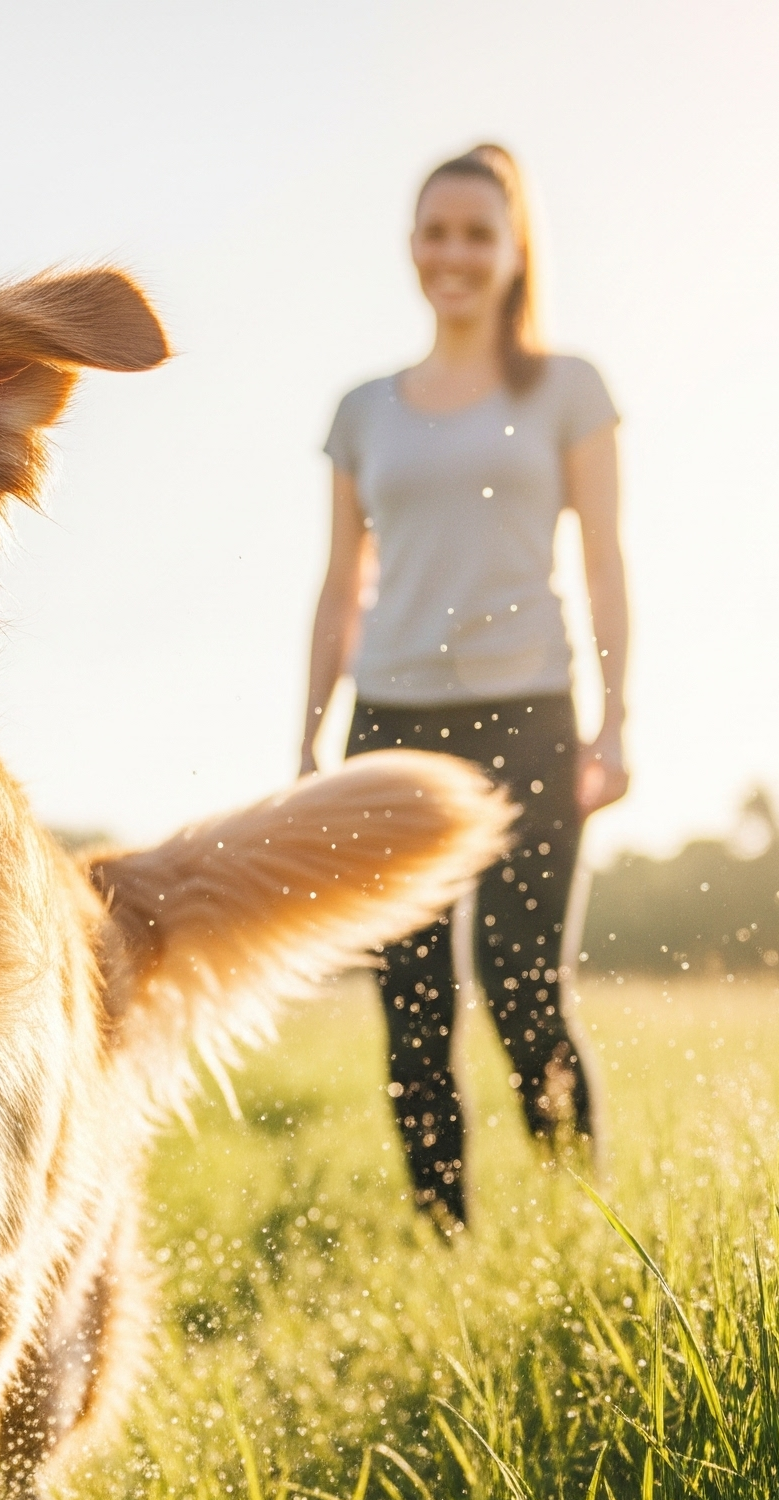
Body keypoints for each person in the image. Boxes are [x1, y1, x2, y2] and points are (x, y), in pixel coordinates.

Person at [297, 143, 630, 1229]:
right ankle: (445, 1232)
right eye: (435, 232)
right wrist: (310, 744)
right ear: (410, 248)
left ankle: (579, 1210)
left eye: (477, 233)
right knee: (412, 997)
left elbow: (605, 562)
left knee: (525, 981)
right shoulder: (362, 411)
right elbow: (339, 584)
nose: (455, 254)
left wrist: (613, 723)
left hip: (530, 708)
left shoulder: (568, 389)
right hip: (389, 721)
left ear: (512, 249)